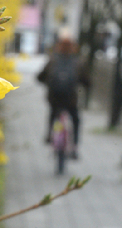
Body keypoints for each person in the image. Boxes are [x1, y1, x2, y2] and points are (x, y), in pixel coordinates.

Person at [37, 28, 90, 159]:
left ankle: (50, 135)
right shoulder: (78, 61)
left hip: (54, 99)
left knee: (53, 115)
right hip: (71, 100)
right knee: (76, 120)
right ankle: (75, 146)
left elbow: (40, 76)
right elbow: (86, 81)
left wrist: (45, 82)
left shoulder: (53, 59)